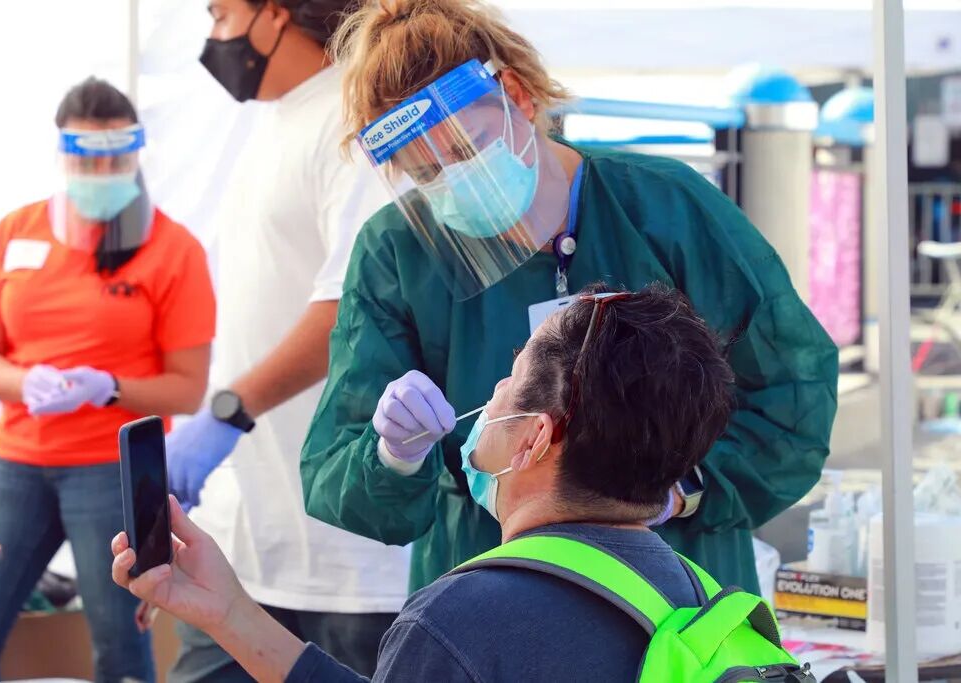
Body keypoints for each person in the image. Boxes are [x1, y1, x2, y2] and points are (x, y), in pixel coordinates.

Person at [300, 0, 839, 596]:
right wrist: (395, 455)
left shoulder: (665, 207)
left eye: (467, 150)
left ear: (517, 97)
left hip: (670, 579)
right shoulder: (400, 250)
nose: (456, 182)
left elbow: (793, 390)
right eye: (427, 175)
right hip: (495, 584)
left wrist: (680, 492)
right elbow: (336, 469)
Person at [111, 284, 788, 682]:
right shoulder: (695, 597)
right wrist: (229, 613)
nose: (490, 396)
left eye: (509, 378)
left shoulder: (460, 624)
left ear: (534, 437)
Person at [162, 0, 410, 679]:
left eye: (220, 14)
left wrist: (229, 409)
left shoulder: (353, 121)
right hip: (254, 535)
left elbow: (352, 309)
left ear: (273, 15)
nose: (213, 35)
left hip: (346, 554)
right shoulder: (276, 122)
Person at [0, 78, 215, 683]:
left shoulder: (173, 249)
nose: (102, 172)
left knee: (120, 646)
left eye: (115, 157)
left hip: (113, 468)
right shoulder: (16, 231)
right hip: (16, 461)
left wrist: (109, 387)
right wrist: (23, 382)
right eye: (87, 158)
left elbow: (189, 389)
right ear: (63, 153)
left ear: (136, 152)